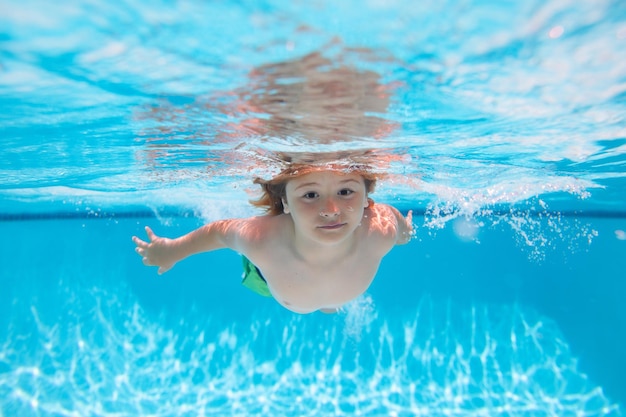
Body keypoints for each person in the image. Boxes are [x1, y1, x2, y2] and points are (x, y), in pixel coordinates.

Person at [132, 162, 413, 314]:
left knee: (328, 305)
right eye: (311, 195)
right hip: (272, 279)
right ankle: (326, 303)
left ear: (367, 198)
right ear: (286, 203)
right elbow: (219, 232)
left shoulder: (381, 230)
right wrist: (173, 250)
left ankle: (328, 304)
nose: (331, 210)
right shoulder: (263, 241)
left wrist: (404, 234)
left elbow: (399, 226)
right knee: (264, 282)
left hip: (323, 291)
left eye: (346, 192)